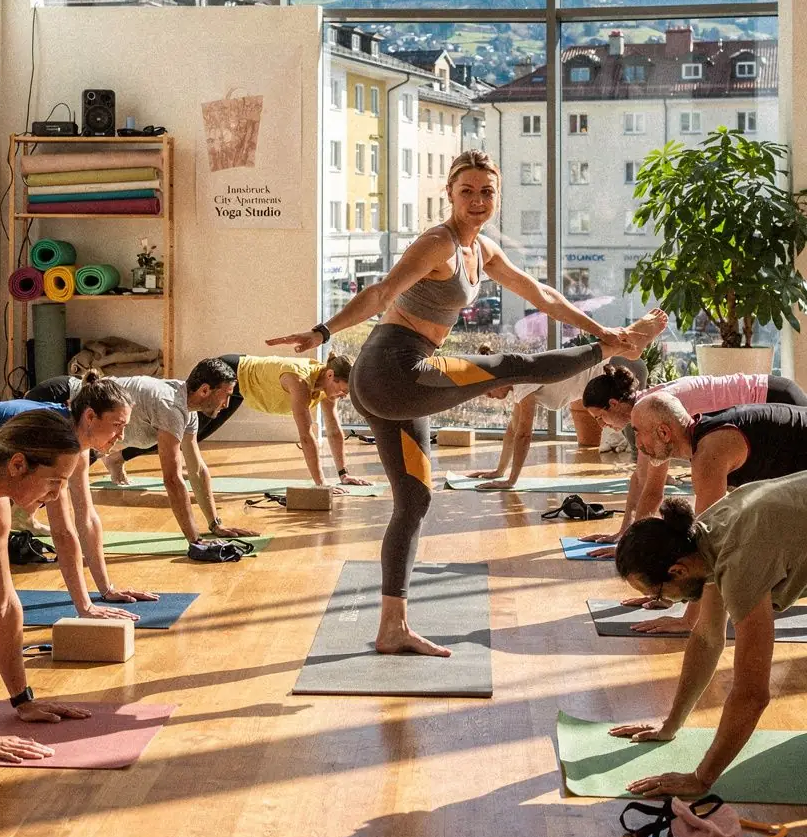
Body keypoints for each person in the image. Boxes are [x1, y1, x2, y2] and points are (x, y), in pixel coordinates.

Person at [268, 149, 667, 657]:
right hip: (393, 369)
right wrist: (322, 332)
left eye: (486, 192)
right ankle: (616, 348)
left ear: (497, 196)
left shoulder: (483, 251)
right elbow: (382, 292)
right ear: (450, 194)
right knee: (512, 366)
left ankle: (392, 626)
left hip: (400, 382)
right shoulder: (438, 242)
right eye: (467, 191)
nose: (477, 200)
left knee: (414, 501)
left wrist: (598, 328)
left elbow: (542, 295)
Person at [609, 484, 807, 797]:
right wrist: (671, 724)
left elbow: (753, 694)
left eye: (658, 594)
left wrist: (701, 778)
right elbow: (706, 636)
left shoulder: (739, 561)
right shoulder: (702, 542)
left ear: (677, 571)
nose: (665, 602)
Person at [579, 367, 807, 564]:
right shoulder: (655, 416)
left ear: (613, 404)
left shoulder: (660, 413)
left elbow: (660, 496)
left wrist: (634, 551)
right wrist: (625, 534)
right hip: (761, 421)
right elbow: (640, 478)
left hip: (774, 396)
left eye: (600, 417)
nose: (602, 426)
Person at [626, 392, 807, 634]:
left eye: (638, 432)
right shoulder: (704, 438)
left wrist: (688, 619)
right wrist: (663, 587)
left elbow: (703, 549)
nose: (637, 444)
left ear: (664, 433)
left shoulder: (709, 456)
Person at [28, 359, 258, 547]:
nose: (227, 404)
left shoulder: (187, 412)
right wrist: (195, 540)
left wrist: (215, 524)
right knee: (38, 475)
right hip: (60, 398)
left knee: (43, 480)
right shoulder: (171, 407)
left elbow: (196, 469)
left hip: (81, 418)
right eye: (226, 395)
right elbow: (172, 479)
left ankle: (23, 519)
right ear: (205, 390)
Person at [0, 386, 154, 621]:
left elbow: (86, 517)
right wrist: (85, 607)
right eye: (117, 425)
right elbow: (63, 532)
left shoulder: (75, 446)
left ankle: (23, 519)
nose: (122, 436)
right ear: (90, 416)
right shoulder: (56, 440)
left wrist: (106, 590)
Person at [0, 410, 92, 771]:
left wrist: (22, 699)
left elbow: (2, 604)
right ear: (18, 464)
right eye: (54, 481)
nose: (57, 494)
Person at [184, 353, 369, 492]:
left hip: (241, 387)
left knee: (197, 431)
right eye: (343, 390)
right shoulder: (299, 381)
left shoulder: (327, 391)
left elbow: (334, 431)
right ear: (330, 375)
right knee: (190, 428)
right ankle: (173, 468)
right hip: (229, 372)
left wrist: (344, 474)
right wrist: (322, 484)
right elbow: (306, 436)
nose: (343, 396)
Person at [467, 355, 648, 490]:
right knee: (638, 424)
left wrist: (511, 481)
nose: (488, 396)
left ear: (498, 380)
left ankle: (651, 479)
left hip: (618, 365)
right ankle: (648, 478)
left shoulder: (521, 380)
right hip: (620, 365)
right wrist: (499, 472)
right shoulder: (519, 384)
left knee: (638, 424)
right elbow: (513, 430)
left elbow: (524, 435)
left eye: (488, 390)